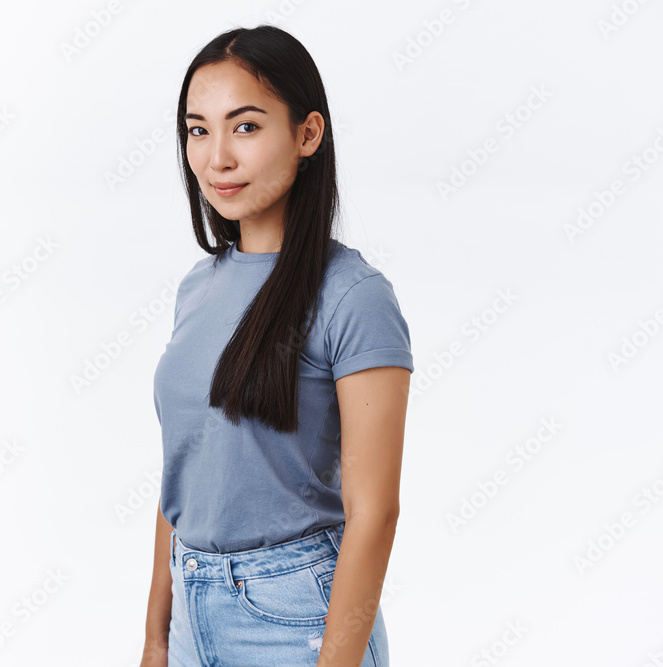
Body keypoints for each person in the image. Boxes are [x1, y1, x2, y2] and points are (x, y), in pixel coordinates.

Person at [141, 24, 413, 667]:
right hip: (191, 607)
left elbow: (374, 512)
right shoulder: (196, 289)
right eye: (198, 129)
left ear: (307, 134)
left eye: (245, 127)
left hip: (294, 618)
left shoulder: (354, 296)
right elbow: (181, 478)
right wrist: (156, 639)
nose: (217, 158)